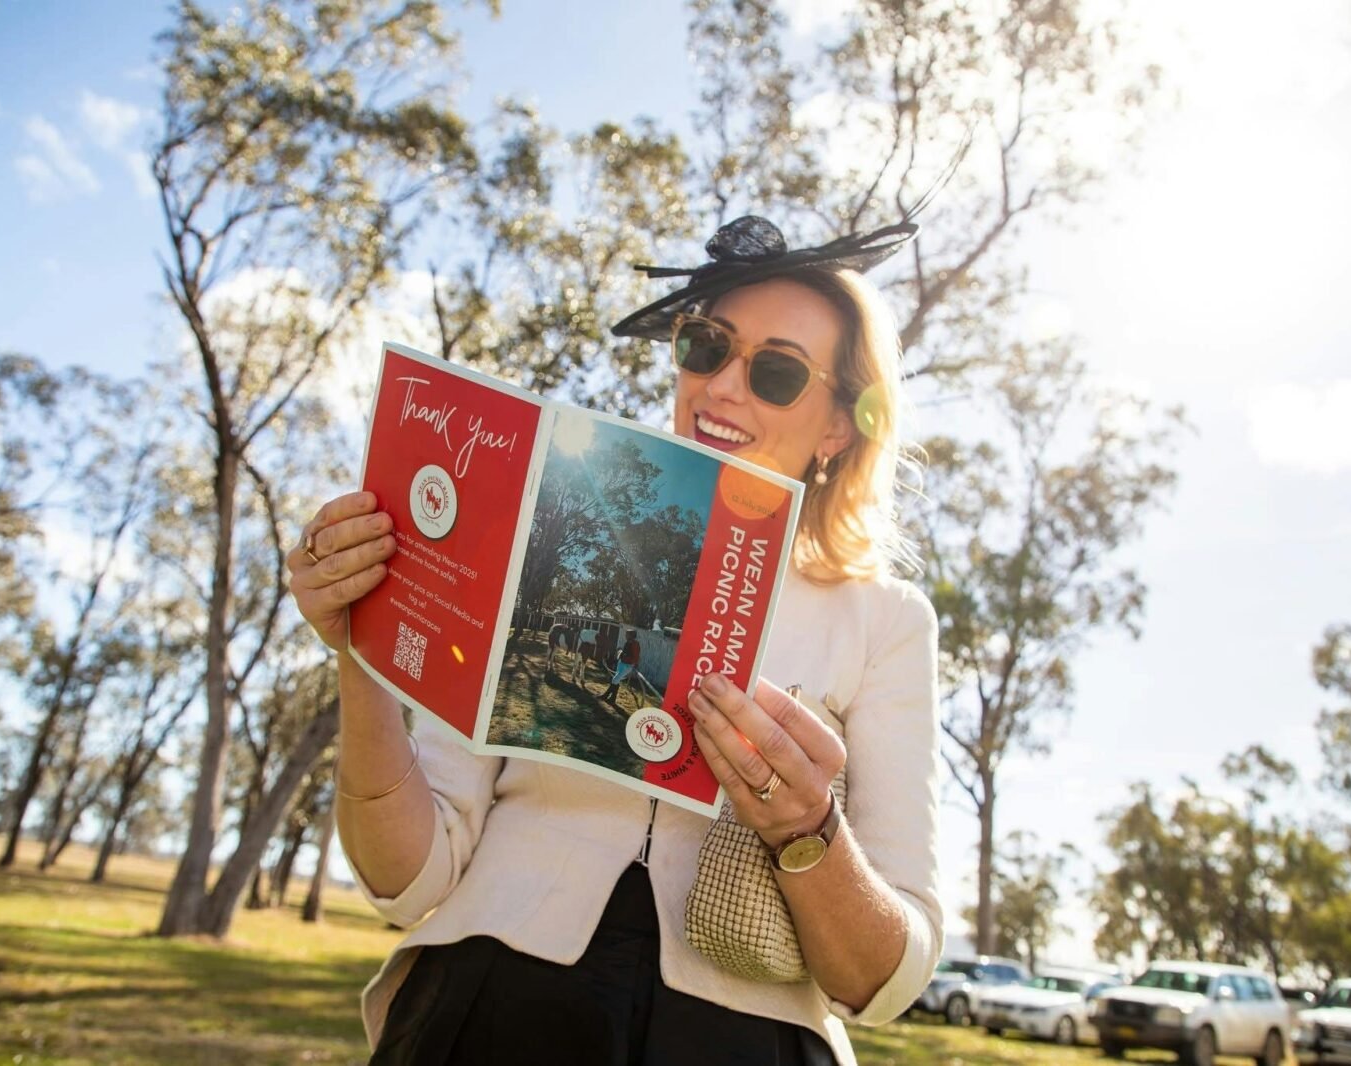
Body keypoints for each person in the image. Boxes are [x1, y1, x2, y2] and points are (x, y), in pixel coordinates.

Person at [289, 212, 942, 1066]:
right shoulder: (539, 540)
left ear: (835, 428)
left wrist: (807, 827)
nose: (722, 387)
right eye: (706, 346)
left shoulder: (886, 620)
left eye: (777, 372)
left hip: (742, 1041)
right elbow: (407, 879)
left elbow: (886, 979)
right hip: (486, 1008)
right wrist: (361, 652)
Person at [601, 630, 642, 705]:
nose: (626, 635)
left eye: (627, 634)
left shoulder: (635, 644)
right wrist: (621, 653)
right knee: (617, 680)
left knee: (615, 679)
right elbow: (626, 652)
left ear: (632, 635)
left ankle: (605, 696)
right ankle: (612, 699)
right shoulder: (627, 642)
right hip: (622, 663)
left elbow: (636, 656)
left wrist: (634, 663)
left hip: (628, 665)